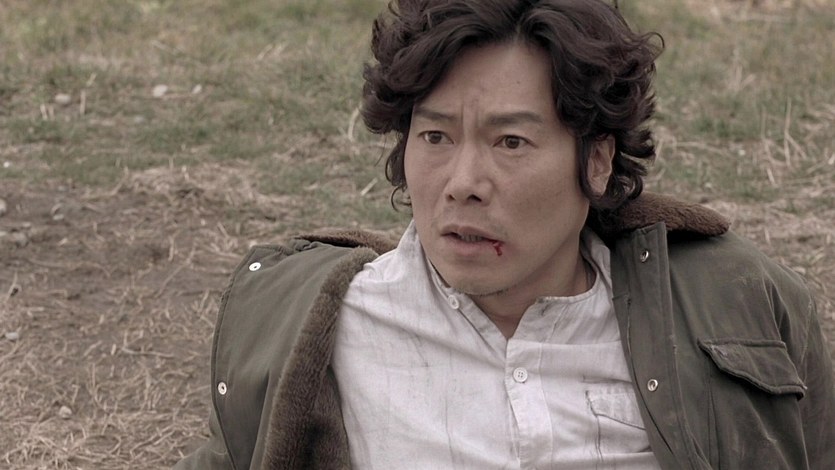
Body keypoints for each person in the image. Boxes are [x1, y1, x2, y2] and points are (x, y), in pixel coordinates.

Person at [175, 0, 835, 468]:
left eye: (510, 141)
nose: (462, 182)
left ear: (596, 161)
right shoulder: (310, 328)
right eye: (435, 137)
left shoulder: (737, 305)